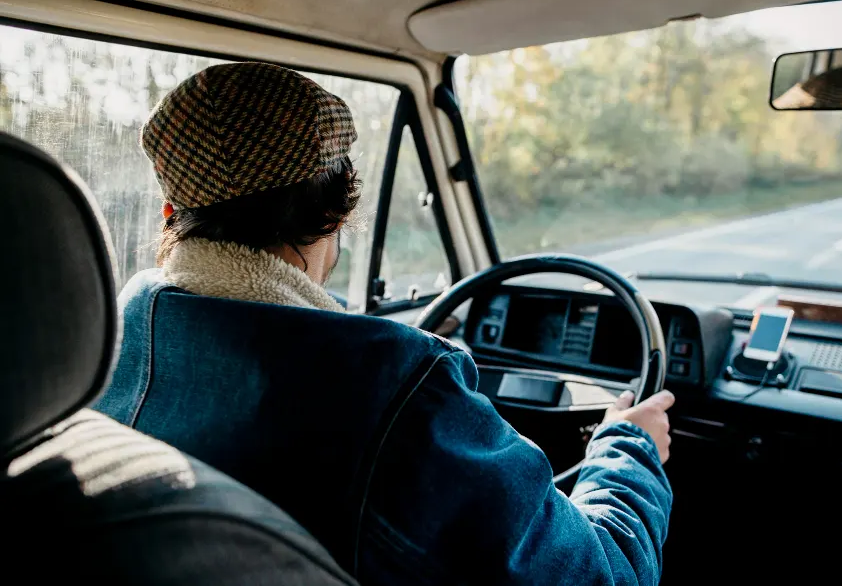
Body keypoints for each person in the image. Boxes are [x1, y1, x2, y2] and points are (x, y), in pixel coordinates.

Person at [95, 62, 674, 585]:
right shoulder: (396, 386)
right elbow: (603, 577)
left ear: (173, 211)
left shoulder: (104, 344)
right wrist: (629, 447)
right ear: (336, 208)